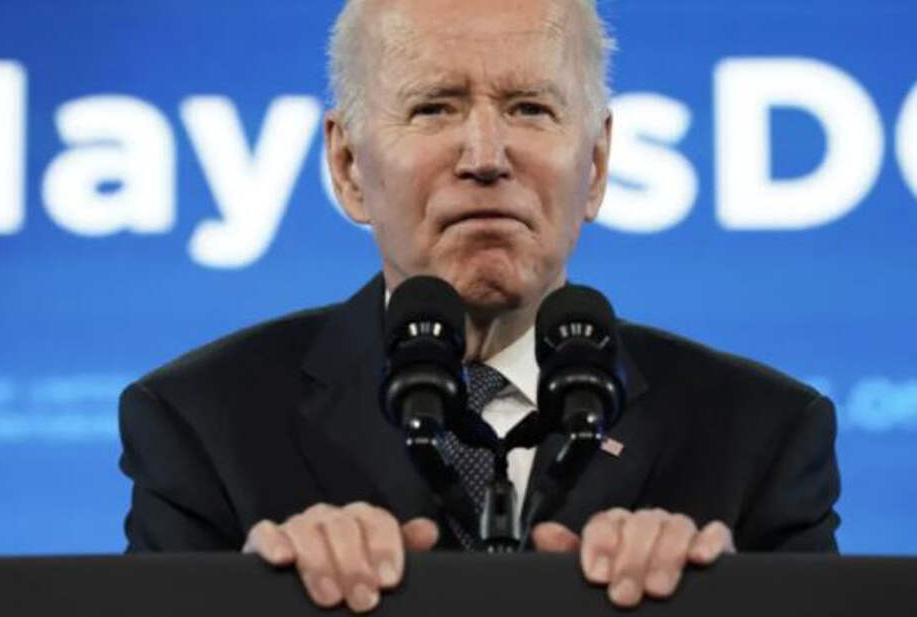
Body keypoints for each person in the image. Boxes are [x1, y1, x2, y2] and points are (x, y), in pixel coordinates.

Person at [118, 0, 840, 612]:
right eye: (434, 107)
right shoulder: (204, 422)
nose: (486, 156)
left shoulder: (760, 434)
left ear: (595, 165)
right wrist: (252, 601)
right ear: (348, 166)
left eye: (530, 108)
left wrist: (719, 604)